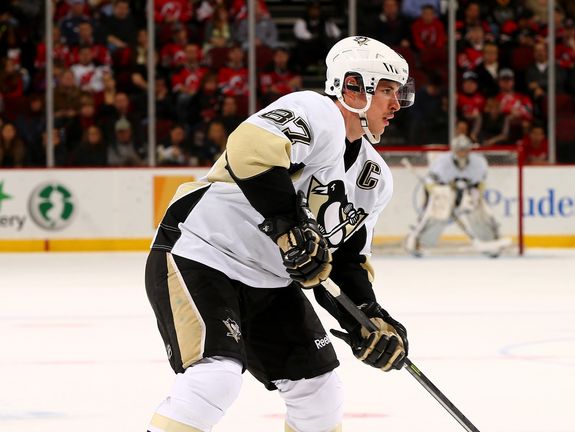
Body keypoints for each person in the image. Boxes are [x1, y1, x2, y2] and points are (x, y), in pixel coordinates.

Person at [145, 36, 414, 432]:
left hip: (268, 280)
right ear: (354, 87)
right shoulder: (316, 110)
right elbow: (249, 148)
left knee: (320, 394)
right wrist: (290, 223)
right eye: (388, 91)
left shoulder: (373, 179)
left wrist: (368, 318)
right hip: (202, 252)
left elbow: (343, 262)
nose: (395, 105)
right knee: (215, 377)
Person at [404, 135, 505, 257]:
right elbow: (430, 181)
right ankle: (420, 243)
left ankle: (489, 241)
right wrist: (436, 191)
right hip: (444, 191)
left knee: (477, 209)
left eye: (465, 149)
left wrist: (475, 194)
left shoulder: (479, 163)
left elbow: (480, 184)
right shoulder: (442, 162)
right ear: (454, 150)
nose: (462, 153)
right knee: (440, 209)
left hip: (467, 191)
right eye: (459, 150)